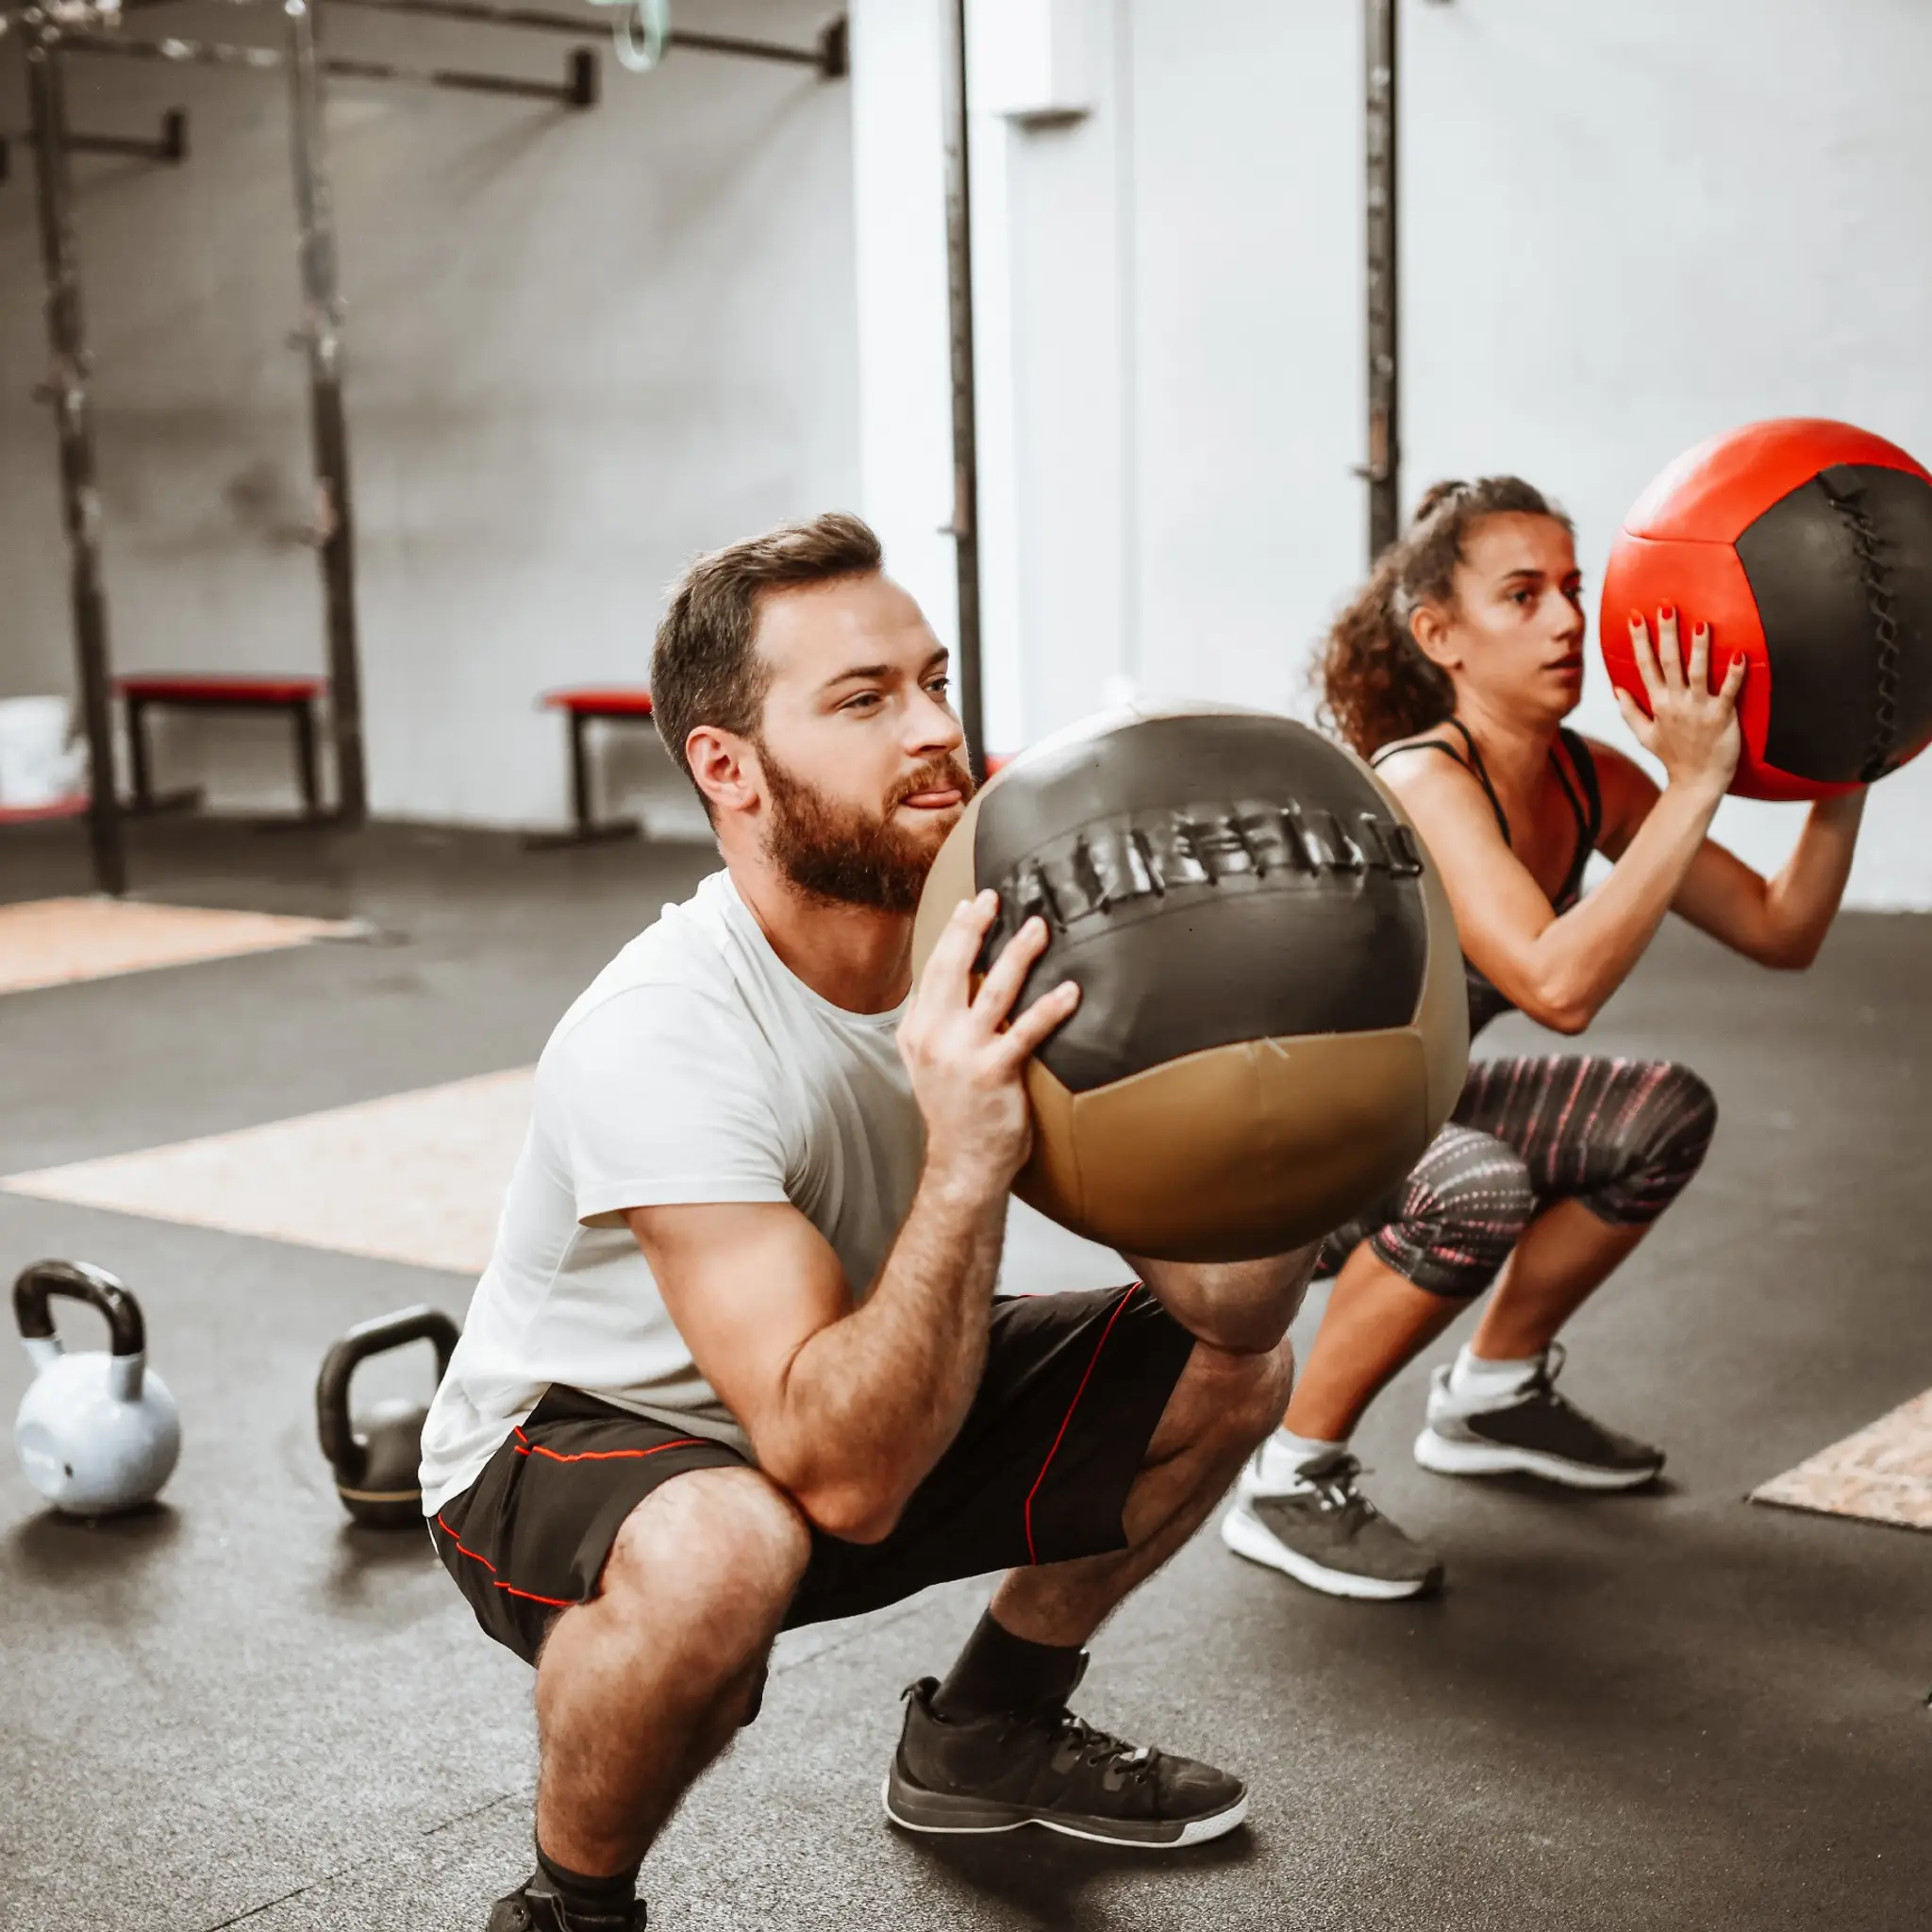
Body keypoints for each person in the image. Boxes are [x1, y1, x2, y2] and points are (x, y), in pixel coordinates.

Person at [419, 512, 1320, 1932]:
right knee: (729, 1548)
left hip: (842, 1396)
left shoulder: (994, 949)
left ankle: (987, 1730)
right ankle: (569, 1906)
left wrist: (1315, 1109)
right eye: (864, 699)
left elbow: (1231, 1311)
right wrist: (966, 1154)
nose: (936, 734)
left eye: (935, 681)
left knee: (1236, 1376)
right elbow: (843, 1488)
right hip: (580, 1438)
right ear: (727, 767)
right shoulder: (665, 1033)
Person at [1220, 476, 1866, 1603]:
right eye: (1522, 594)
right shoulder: (1425, 775)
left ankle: (1491, 1395)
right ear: (1439, 636)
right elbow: (1555, 983)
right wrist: (1697, 781)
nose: (1570, 619)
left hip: (1407, 1107)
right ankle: (1285, 1472)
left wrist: (1850, 758)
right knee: (1478, 1183)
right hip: (1272, 1145)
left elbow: (1781, 930)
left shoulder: (1582, 775)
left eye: (1572, 587)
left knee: (1660, 1107)